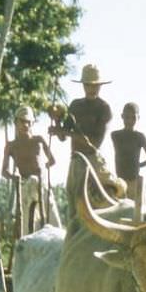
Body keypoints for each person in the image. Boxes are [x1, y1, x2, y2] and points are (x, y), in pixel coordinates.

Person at [48, 63, 126, 216]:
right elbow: (63, 137)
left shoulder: (104, 108)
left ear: (100, 86)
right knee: (74, 211)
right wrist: (56, 120)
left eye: (95, 85)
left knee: (100, 207)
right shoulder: (75, 106)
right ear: (83, 85)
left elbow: (94, 144)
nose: (92, 88)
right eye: (89, 85)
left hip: (93, 162)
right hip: (75, 162)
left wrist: (64, 131)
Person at [2, 106, 61, 229]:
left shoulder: (38, 140)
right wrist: (14, 177)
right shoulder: (11, 146)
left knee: (54, 223)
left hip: (41, 185)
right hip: (24, 186)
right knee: (26, 226)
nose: (25, 125)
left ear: (32, 123)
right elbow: (4, 171)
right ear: (16, 122)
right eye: (22, 121)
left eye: (28, 122)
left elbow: (52, 160)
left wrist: (45, 167)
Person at [110, 102, 146, 200]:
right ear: (122, 116)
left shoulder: (139, 137)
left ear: (138, 117)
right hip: (120, 183)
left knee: (137, 212)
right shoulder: (115, 135)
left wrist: (138, 165)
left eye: (133, 117)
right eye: (127, 117)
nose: (129, 120)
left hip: (134, 182)